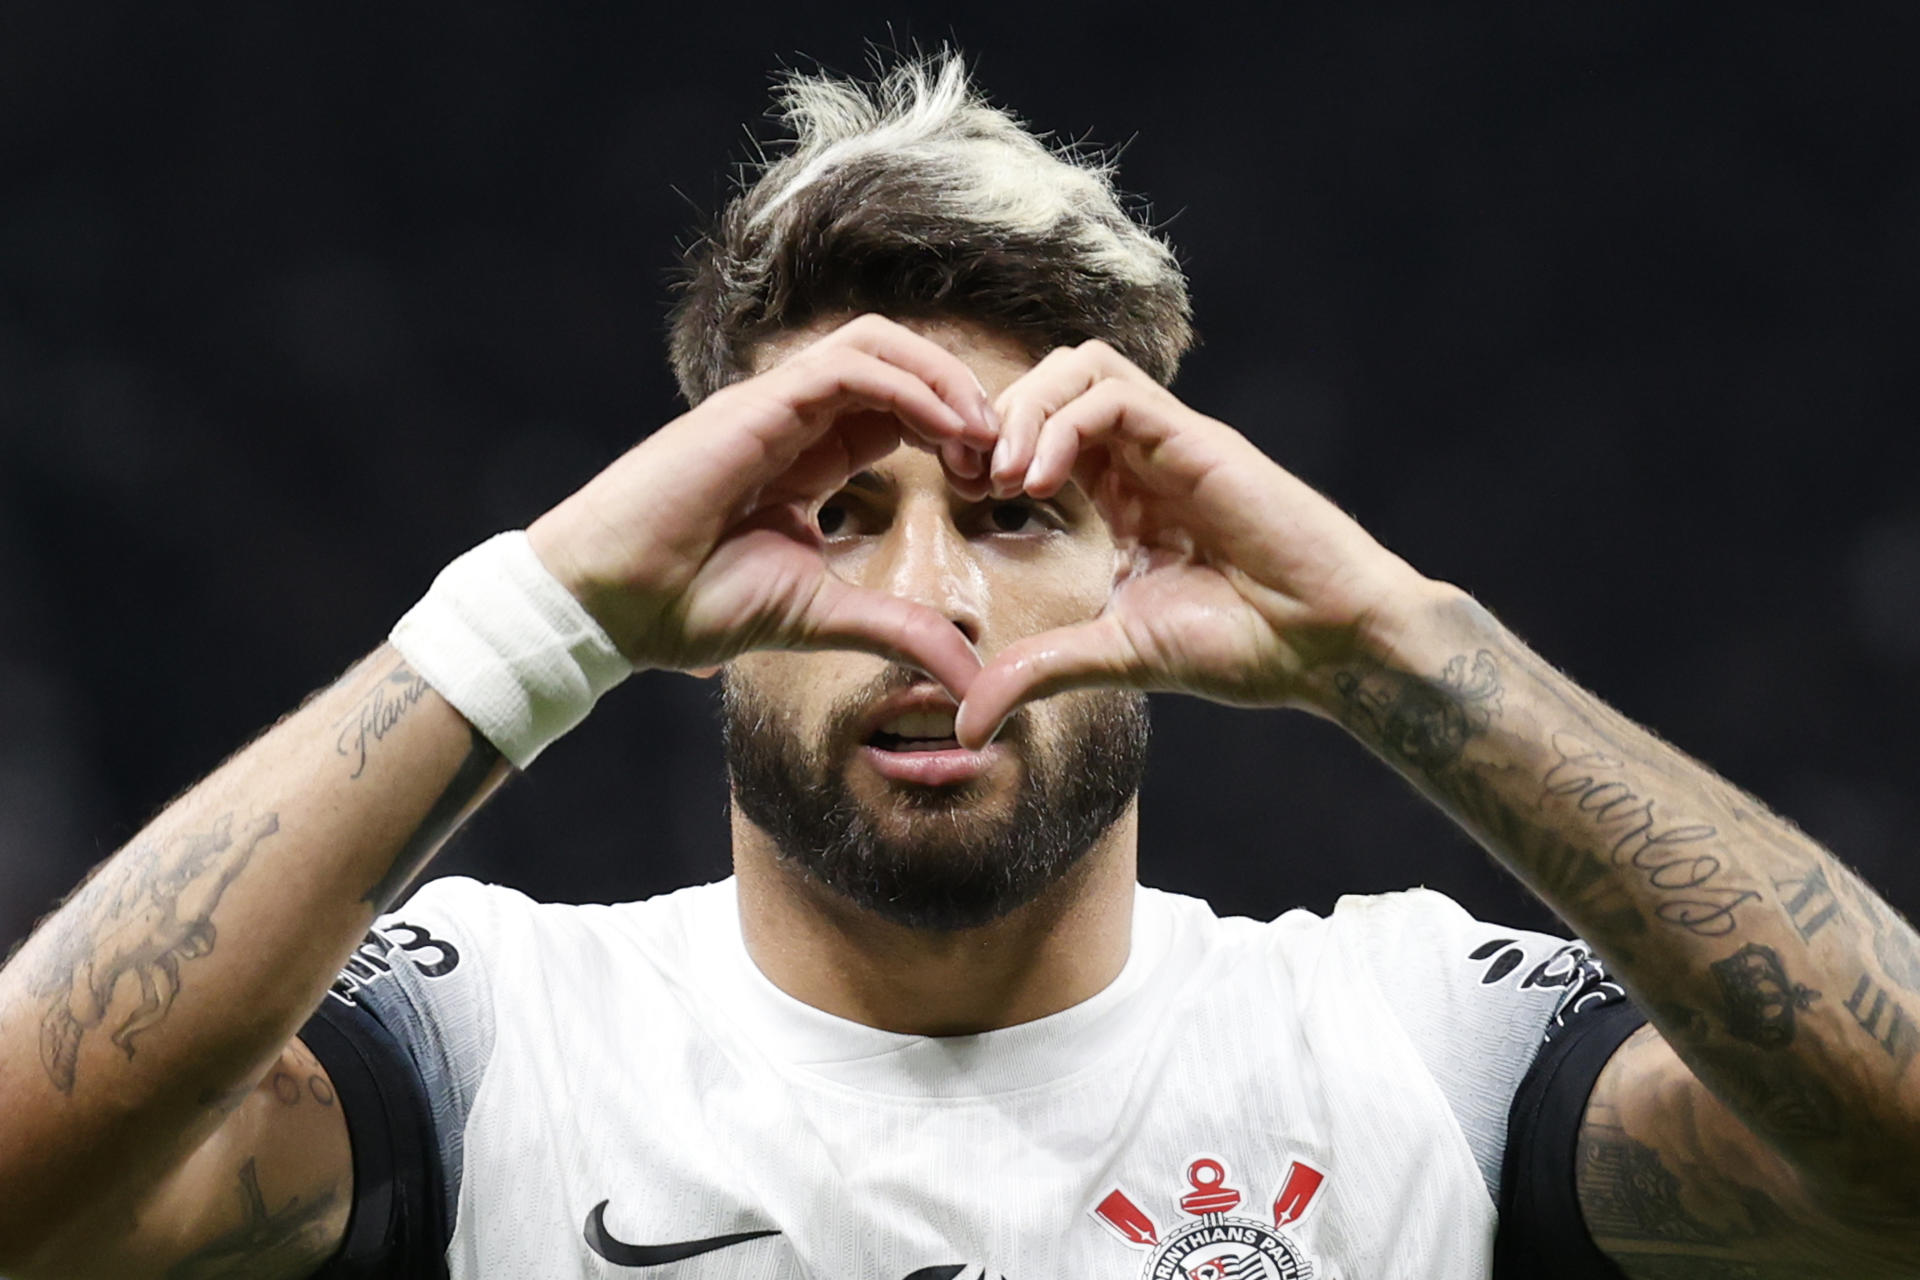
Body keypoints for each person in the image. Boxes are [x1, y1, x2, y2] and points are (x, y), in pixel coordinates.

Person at [0, 51, 1916, 1280]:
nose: (932, 604)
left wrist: (1406, 652)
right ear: (684, 584)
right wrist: (534, 617)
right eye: (834, 517)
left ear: (1153, 556)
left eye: (1015, 516)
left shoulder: (1422, 1042)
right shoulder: (499, 1035)